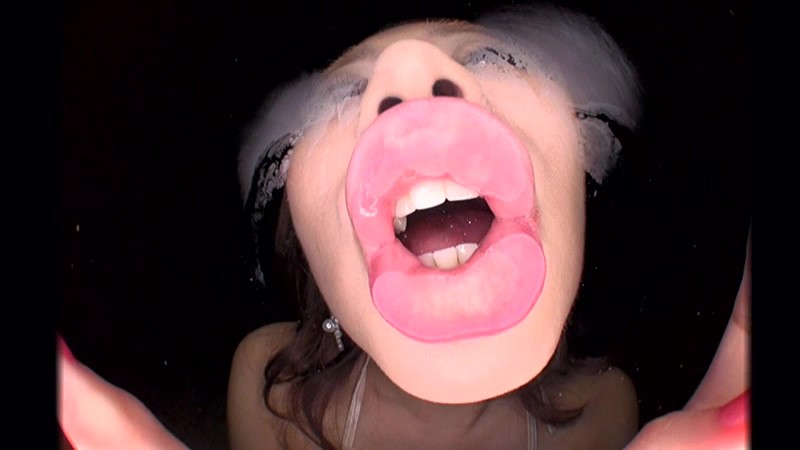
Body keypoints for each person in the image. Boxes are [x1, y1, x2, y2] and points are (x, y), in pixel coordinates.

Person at [57, 4, 750, 449]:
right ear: (305, 242)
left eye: (491, 58)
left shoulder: (601, 406)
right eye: (344, 94)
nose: (410, 75)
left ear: (581, 171)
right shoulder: (271, 389)